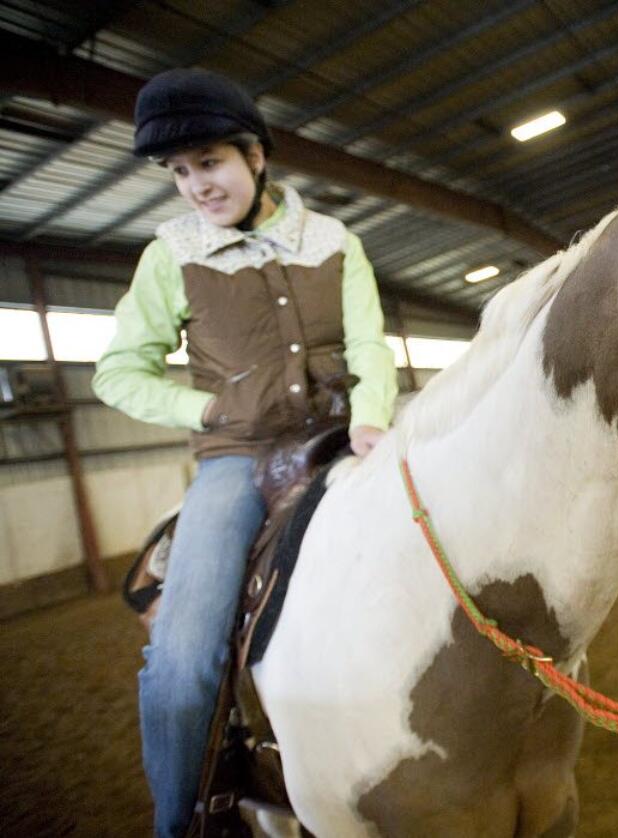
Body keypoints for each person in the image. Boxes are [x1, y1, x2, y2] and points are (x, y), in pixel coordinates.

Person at [92, 67, 397, 837]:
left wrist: (371, 416)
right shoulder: (170, 255)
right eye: (181, 172)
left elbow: (368, 341)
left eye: (210, 162)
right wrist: (207, 406)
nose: (196, 185)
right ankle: (181, 821)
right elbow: (116, 373)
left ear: (255, 156)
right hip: (236, 463)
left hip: (339, 442)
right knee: (184, 656)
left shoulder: (334, 242)